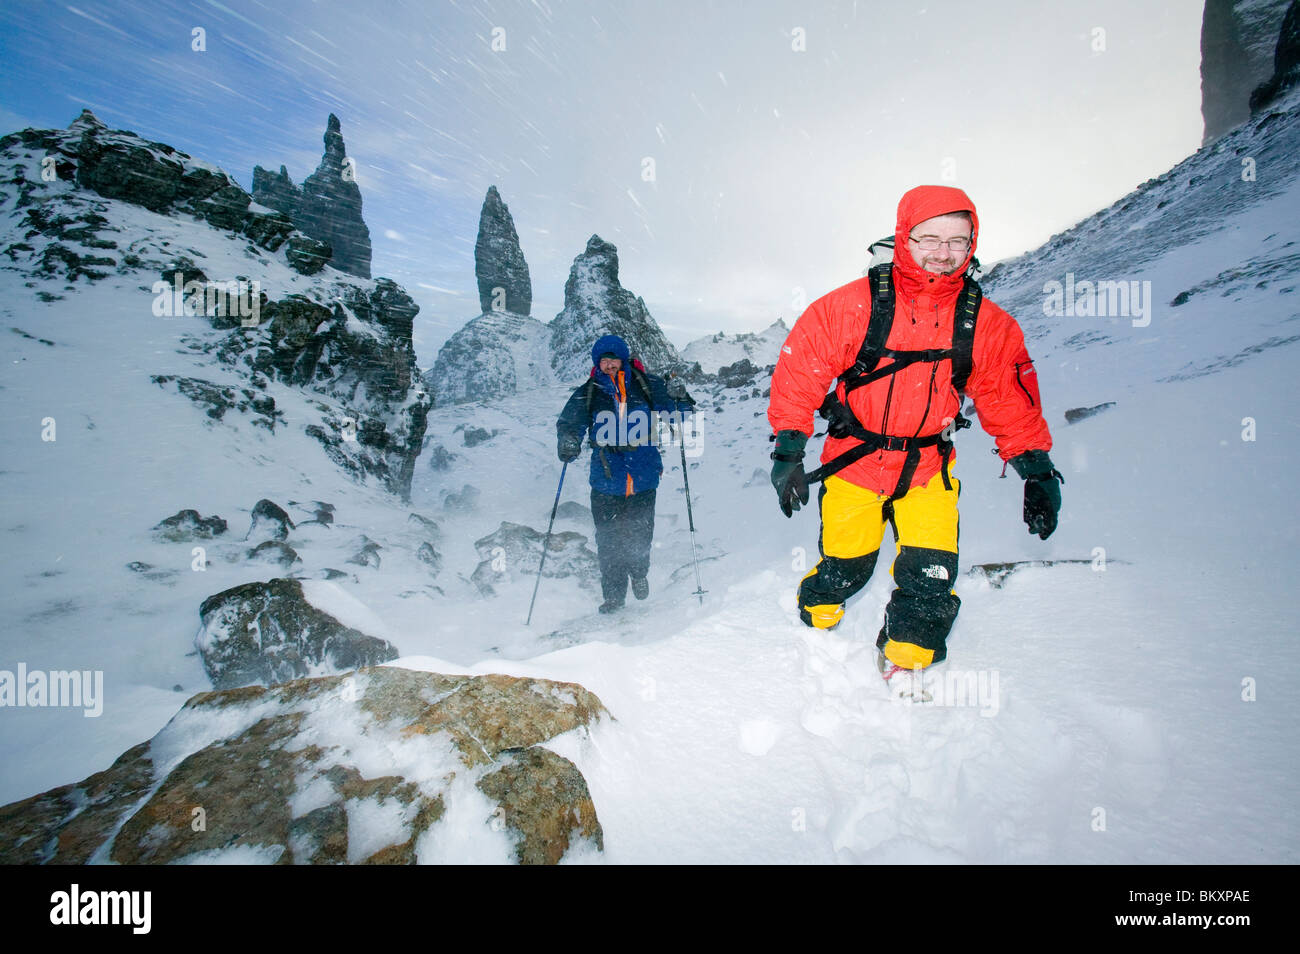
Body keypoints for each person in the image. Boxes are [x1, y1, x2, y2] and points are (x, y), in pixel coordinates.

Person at [767, 185, 1062, 696]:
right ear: (904, 237)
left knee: (930, 573)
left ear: (973, 242)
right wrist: (789, 452)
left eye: (957, 239)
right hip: (852, 467)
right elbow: (801, 374)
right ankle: (816, 617)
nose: (943, 252)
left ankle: (907, 659)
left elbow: (1006, 398)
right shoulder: (849, 307)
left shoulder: (985, 324)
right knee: (845, 567)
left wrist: (1036, 471)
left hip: (928, 469)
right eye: (929, 238)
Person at [557, 334, 695, 614]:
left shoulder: (647, 385)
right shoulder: (591, 391)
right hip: (606, 482)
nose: (609, 365)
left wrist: (680, 395)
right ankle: (613, 596)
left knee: (641, 535)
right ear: (598, 363)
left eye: (613, 359)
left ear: (623, 359)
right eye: (603, 361)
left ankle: (639, 573)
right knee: (608, 541)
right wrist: (569, 440)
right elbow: (569, 422)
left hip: (643, 477)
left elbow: (679, 415)